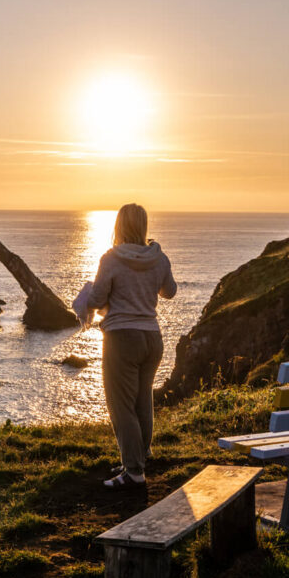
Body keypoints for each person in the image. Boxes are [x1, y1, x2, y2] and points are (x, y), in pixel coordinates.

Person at [86, 203, 177, 489]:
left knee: (121, 405)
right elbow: (170, 292)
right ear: (144, 225)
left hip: (122, 337)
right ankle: (137, 458)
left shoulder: (111, 258)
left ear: (119, 225)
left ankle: (134, 472)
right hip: (152, 337)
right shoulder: (158, 257)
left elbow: (98, 299)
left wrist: (89, 297)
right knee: (142, 400)